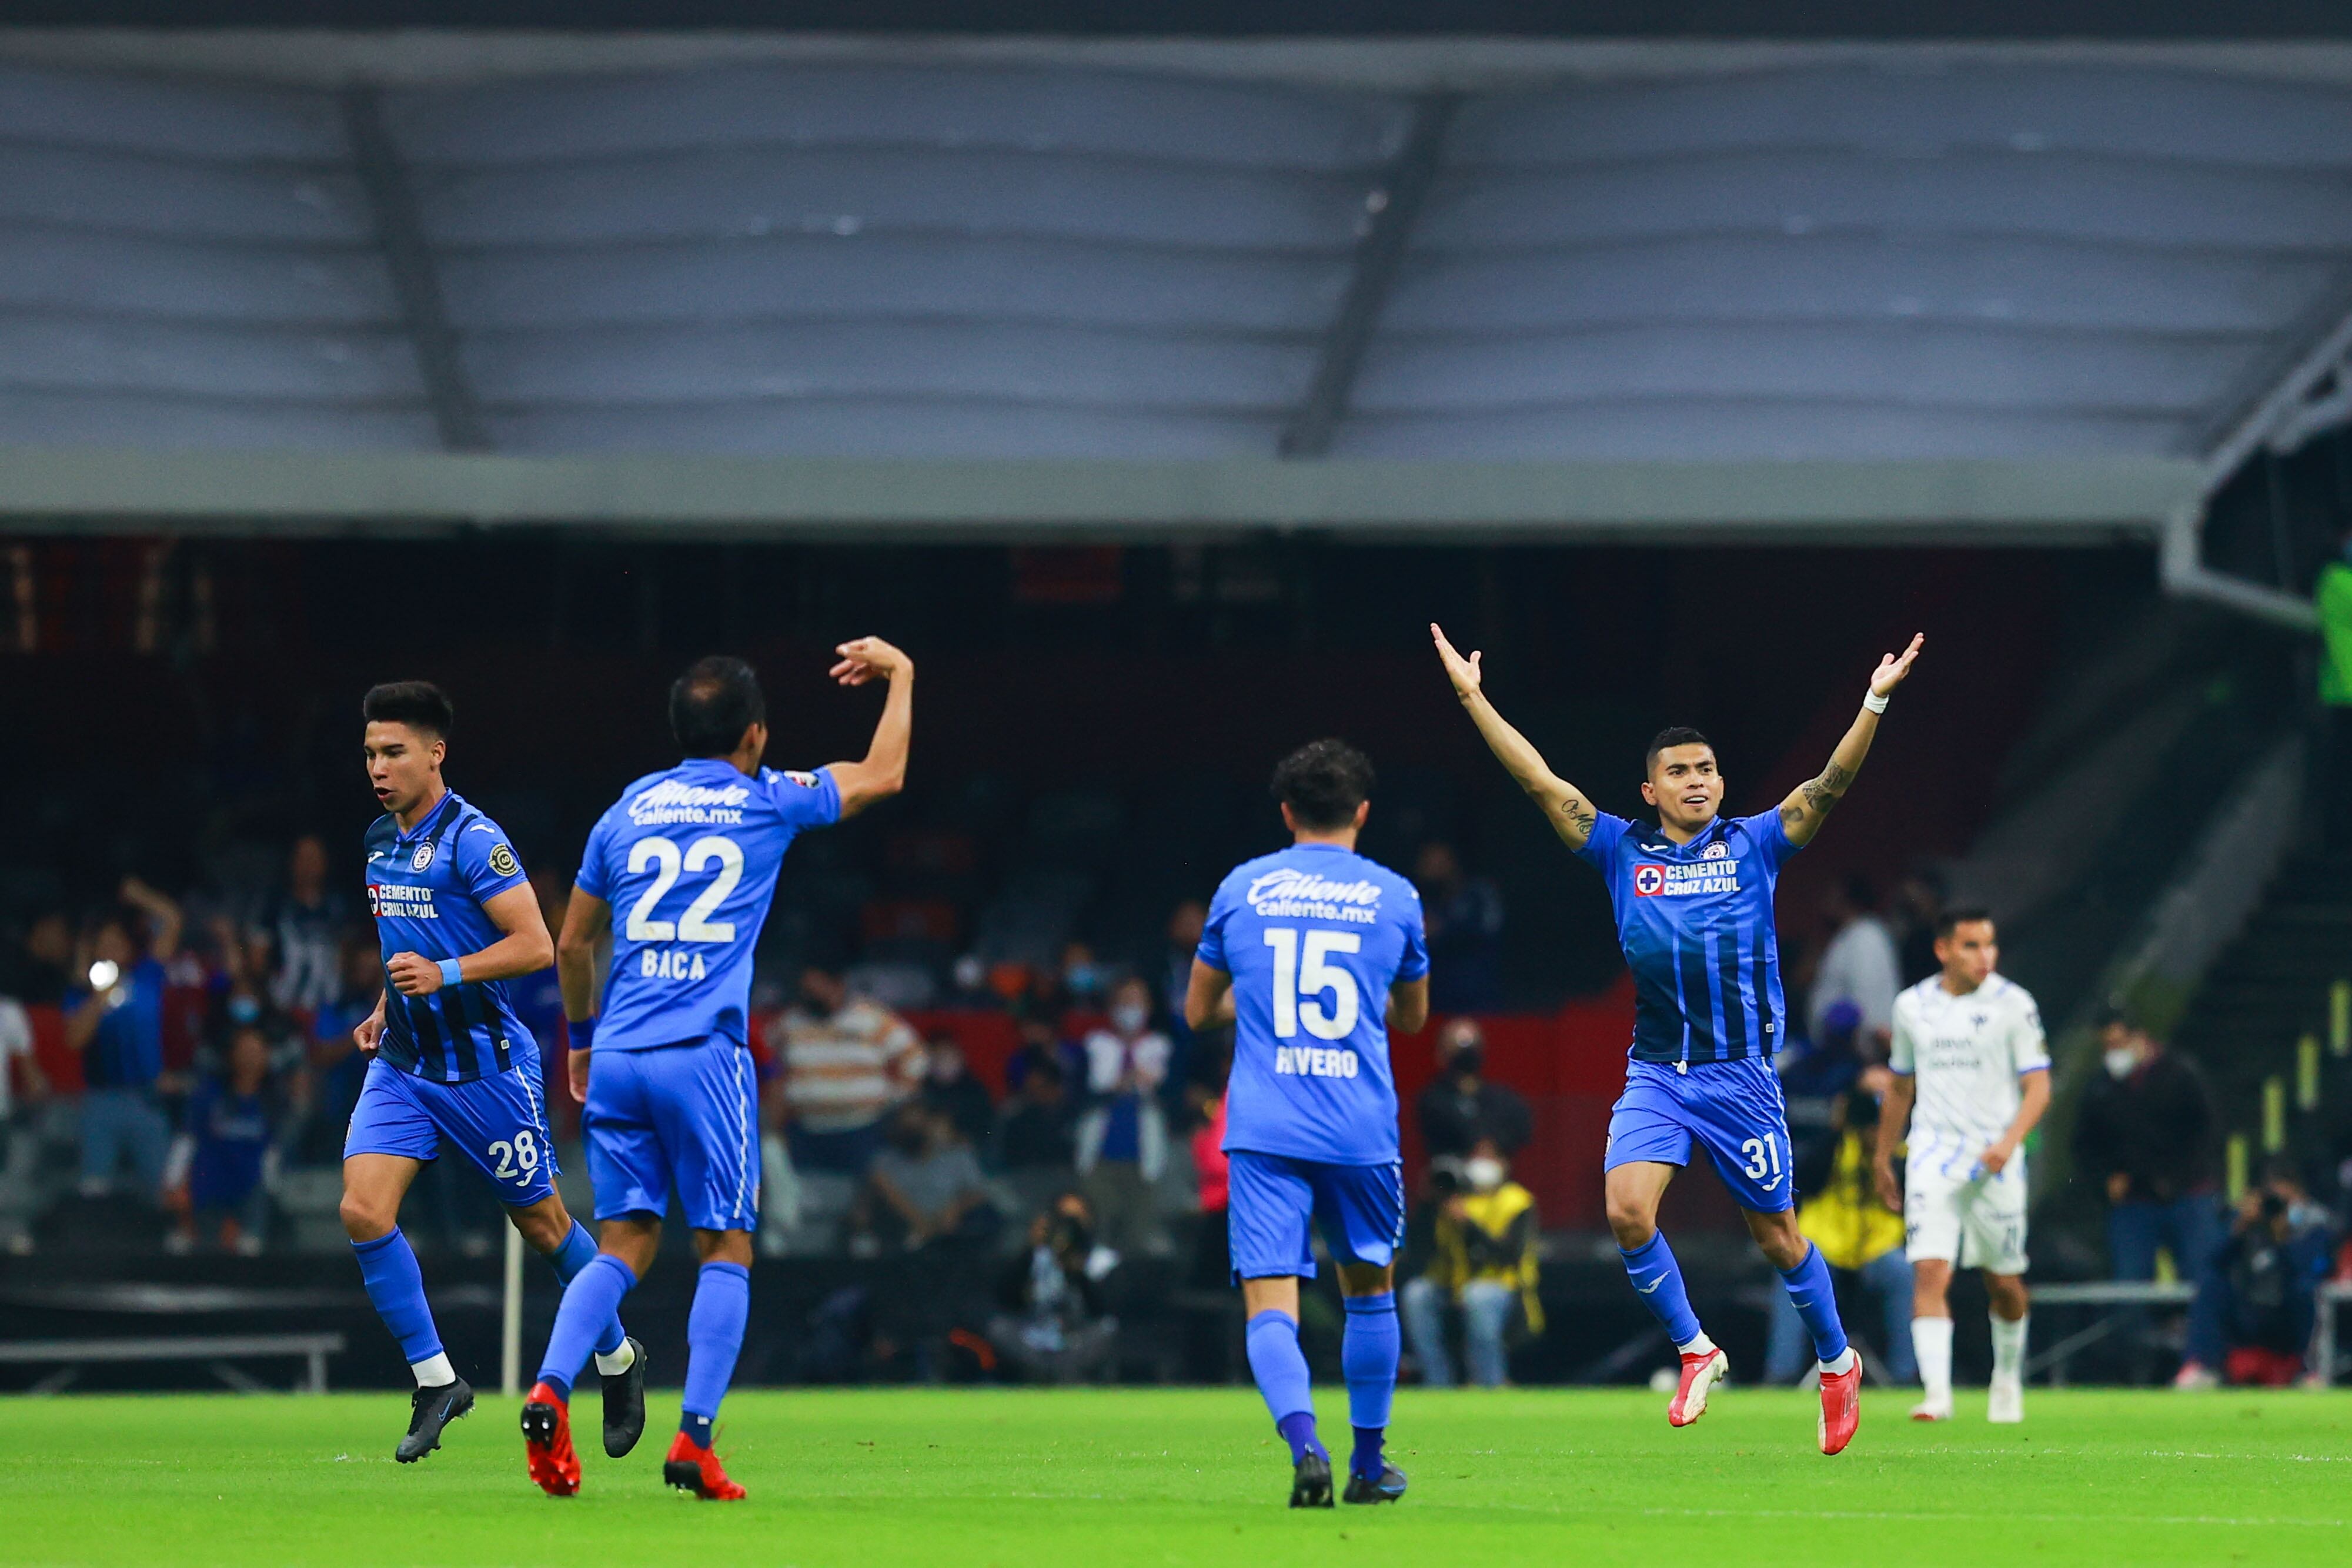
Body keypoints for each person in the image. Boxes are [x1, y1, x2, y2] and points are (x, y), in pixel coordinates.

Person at [1434, 620, 1923, 1455]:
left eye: (1705, 768)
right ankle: (1697, 1347)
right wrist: (1474, 697)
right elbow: (1540, 782)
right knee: (1627, 1210)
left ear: (1720, 780)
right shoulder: (1620, 848)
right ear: (1650, 789)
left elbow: (1830, 784)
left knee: (1778, 1236)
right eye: (1678, 771)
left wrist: (1874, 698)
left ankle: (1838, 1360)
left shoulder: (1756, 842)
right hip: (1659, 1071)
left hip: (1742, 1078)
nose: (1696, 780)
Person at [527, 641, 911, 1500]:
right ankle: (694, 1438)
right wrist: (904, 676)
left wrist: (582, 1040)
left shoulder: (623, 811)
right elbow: (884, 773)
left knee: (623, 1240)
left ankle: (550, 1386)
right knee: (724, 1243)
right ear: (755, 736)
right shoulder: (769, 797)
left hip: (619, 1052)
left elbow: (573, 941)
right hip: (703, 1054)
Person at [336, 681, 640, 1466]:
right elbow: (410, 932)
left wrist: (443, 973)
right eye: (371, 752)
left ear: (435, 752)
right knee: (363, 1210)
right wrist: (384, 1002)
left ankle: (617, 1356)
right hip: (403, 1064)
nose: (379, 766)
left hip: (486, 1070)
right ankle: (438, 1381)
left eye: (394, 751)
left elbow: (536, 943)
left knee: (543, 1227)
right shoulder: (378, 837)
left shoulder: (475, 838)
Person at [1184, 738, 1430, 1507]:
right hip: (1359, 1126)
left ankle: (1305, 1442)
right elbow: (1414, 1018)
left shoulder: (1241, 887)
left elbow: (1198, 1011)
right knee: (1370, 1290)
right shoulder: (1396, 897)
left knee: (1270, 1305)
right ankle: (1367, 1463)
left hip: (1265, 1126)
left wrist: (1248, 1001)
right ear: (1362, 811)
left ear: (1287, 812)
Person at [1873, 910, 2049, 1423]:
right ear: (1943, 949)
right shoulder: (1912, 1006)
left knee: (2005, 1282)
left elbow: (2038, 1085)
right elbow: (1901, 1085)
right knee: (1929, 1269)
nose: (1985, 957)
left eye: (1990, 945)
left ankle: (2008, 1377)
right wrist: (1884, 1155)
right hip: (1932, 1153)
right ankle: (1937, 1394)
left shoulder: (2014, 1005)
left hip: (1995, 1158)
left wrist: (2010, 1142)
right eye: (1972, 945)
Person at [2070, 1007, 2226, 1383]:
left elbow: (2205, 1132)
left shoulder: (2180, 1075)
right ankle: (2138, 1368)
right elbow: (2084, 1146)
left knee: (2203, 1278)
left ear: (2140, 1038)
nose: (2113, 1053)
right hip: (2134, 1204)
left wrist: (2174, 1178)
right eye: (2106, 1046)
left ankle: (2205, 1362)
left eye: (2119, 1043)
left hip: (2188, 1195)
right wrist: (2106, 1179)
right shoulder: (2101, 1088)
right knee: (2131, 1287)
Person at [1766, 1002, 1914, 1388]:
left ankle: (1907, 1376)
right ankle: (1780, 1374)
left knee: (1903, 1272)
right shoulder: (1834, 1144)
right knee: (1793, 1269)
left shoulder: (1901, 1150)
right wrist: (1842, 1121)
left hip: (1876, 1244)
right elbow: (1803, 1176)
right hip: (1827, 1240)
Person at [66, 881, 182, 1204]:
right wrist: (98, 999)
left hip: (147, 1100)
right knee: (94, 1191)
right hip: (101, 1101)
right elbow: (74, 1039)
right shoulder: (81, 993)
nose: (111, 950)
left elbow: (172, 920)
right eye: (103, 945)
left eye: (116, 943)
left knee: (160, 1192)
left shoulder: (146, 976)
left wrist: (140, 896)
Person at [1401, 1139, 1541, 1388]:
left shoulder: (1516, 1201)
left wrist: (1469, 1225)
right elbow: (1418, 1250)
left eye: (1489, 1157)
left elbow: (1507, 1256)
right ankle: (1437, 1381)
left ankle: (1490, 1382)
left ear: (1504, 1163)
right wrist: (1428, 1200)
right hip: (1453, 1283)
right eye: (1476, 1157)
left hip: (1501, 1285)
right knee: (1417, 1294)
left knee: (1478, 1296)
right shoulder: (1452, 1198)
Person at [776, 966, 924, 1177]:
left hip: (861, 1129)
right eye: (807, 991)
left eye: (817, 990)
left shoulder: (871, 1017)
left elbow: (913, 1056)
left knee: (859, 1199)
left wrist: (895, 1096)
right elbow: (772, 1063)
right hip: (807, 1130)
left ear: (837, 986)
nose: (811, 996)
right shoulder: (790, 1023)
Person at [2204, 1161, 2333, 1386]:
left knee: (2306, 1290)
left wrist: (2283, 1237)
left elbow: (2315, 1267)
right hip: (2248, 1303)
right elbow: (2214, 1263)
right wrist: (2240, 1228)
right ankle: (2205, 1367)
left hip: (2287, 1307)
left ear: (2298, 1190)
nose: (2276, 1208)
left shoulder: (2314, 1221)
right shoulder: (2247, 1224)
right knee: (2212, 1286)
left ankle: (2309, 1371)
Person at [1075, 975, 1171, 1256]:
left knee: (1137, 1238)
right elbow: (1077, 1096)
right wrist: (1111, 1089)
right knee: (1099, 1232)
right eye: (1124, 1001)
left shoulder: (1161, 1047)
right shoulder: (1095, 1045)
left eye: (1137, 1001)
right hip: (1099, 1159)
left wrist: (1153, 1087)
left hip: (1143, 1160)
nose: (1131, 1008)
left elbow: (1174, 1102)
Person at [167, 1025, 279, 1255]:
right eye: (244, 1050)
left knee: (251, 1247)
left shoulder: (274, 1099)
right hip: (209, 1184)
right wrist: (174, 1180)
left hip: (251, 1188)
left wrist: (271, 1189)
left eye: (256, 1050)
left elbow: (275, 1150)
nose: (250, 1057)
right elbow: (188, 1138)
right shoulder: (210, 1094)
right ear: (232, 1054)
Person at [987, 1191, 1119, 1384]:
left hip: (1075, 1339)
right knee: (999, 1328)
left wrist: (1075, 1270)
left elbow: (1102, 1310)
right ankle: (1039, 1375)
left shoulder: (1101, 1258)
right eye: (1063, 1218)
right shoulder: (1035, 1255)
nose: (1068, 1226)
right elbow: (1006, 1300)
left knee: (1107, 1329)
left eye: (1076, 1219)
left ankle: (1063, 1375)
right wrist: (1031, 1250)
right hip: (1034, 1335)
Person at [850, 1102, 995, 1252]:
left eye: (917, 1123)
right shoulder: (883, 1161)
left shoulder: (958, 1155)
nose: (911, 1128)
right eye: (906, 1124)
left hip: (951, 1235)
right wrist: (920, 1225)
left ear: (929, 1124)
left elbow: (979, 1192)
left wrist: (956, 1207)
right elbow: (863, 1208)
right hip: (898, 1239)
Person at [1414, 1018, 1532, 1165]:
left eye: (1470, 1048)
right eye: (1459, 1049)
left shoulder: (1504, 1100)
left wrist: (1493, 1146)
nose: (1465, 1056)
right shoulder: (1433, 1101)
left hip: (1499, 1180)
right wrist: (1472, 1146)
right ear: (1441, 1053)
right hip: (1450, 1181)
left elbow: (1521, 1127)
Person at [1809, 874, 1900, 1051]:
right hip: (1837, 1050)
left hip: (1857, 1054)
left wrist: (1870, 1048)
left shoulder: (1866, 935)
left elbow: (1870, 994)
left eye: (1831, 893)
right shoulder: (1848, 934)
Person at [1415, 841, 1504, 1011]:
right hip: (1432, 995)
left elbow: (1489, 929)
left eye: (1439, 863)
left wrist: (1444, 929)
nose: (1433, 869)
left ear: (1452, 862)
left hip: (1476, 992)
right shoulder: (1414, 898)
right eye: (1428, 864)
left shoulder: (1479, 893)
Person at [993, 1055, 1077, 1174]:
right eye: (1030, 1090)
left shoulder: (1077, 1116)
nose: (1035, 1095)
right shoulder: (1019, 1124)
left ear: (1057, 1087)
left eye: (1040, 1088)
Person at [918, 1034, 995, 1149]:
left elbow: (986, 1131)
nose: (945, 1061)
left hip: (966, 1151)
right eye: (938, 1056)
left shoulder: (976, 1090)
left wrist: (955, 1136)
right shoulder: (919, 1090)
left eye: (949, 1055)